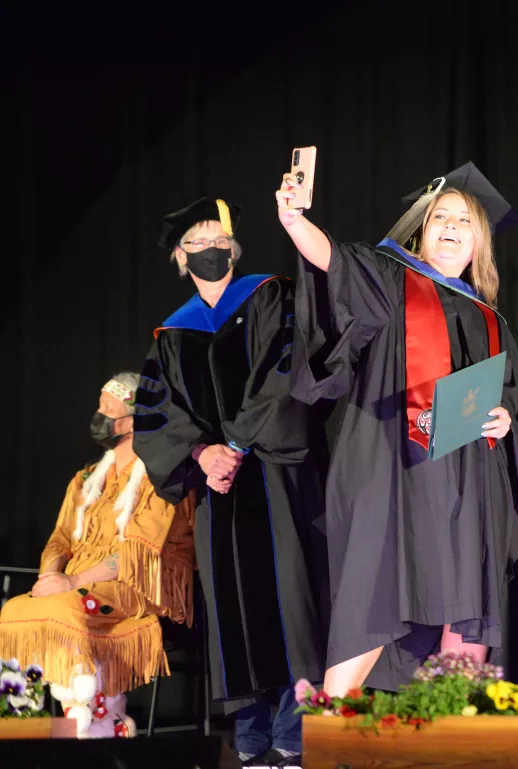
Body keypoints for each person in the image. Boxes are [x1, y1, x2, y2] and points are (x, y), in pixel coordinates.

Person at [277, 162, 518, 697]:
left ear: (480, 242)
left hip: (468, 484)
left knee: (466, 607)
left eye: (464, 222)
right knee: (376, 597)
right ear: (421, 229)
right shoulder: (389, 278)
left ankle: (441, 739)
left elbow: (511, 390)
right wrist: (294, 221)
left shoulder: (488, 315)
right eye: (440, 217)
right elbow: (334, 261)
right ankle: (331, 729)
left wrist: (505, 415)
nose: (450, 227)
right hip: (391, 468)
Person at [132, 198, 327, 767]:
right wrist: (202, 451)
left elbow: (286, 372)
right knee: (232, 603)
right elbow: (154, 414)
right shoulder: (171, 334)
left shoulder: (271, 295)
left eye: (220, 239)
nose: (211, 248)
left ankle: (295, 720)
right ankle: (250, 727)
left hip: (277, 474)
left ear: (235, 249)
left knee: (291, 593)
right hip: (219, 487)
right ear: (179, 255)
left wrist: (236, 444)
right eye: (197, 241)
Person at [0, 372, 195, 738]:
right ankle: (21, 729)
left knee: (69, 608)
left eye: (108, 409)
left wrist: (72, 581)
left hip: (137, 586)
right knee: (14, 610)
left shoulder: (162, 477)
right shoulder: (86, 478)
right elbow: (60, 540)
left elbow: (137, 554)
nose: (98, 415)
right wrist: (51, 577)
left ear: (135, 419)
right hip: (75, 585)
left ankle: (96, 723)